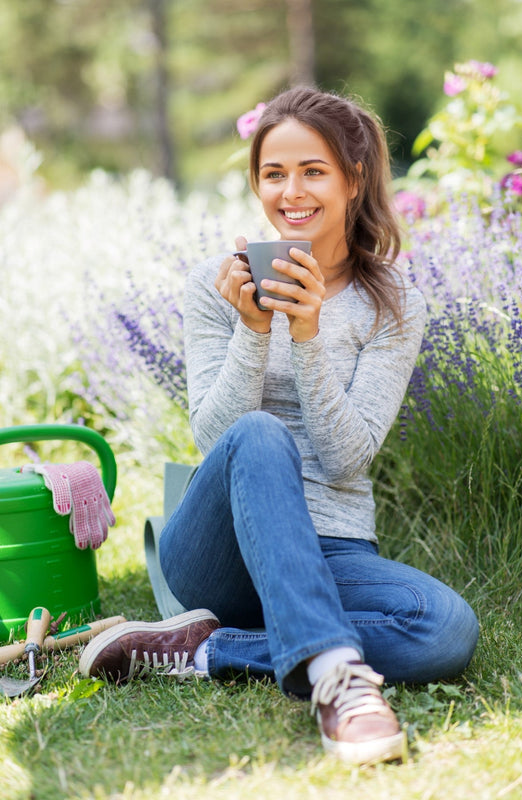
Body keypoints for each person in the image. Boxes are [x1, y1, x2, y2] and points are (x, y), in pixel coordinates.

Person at [79, 87, 479, 765]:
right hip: (219, 548)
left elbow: (346, 457)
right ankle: (335, 682)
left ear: (353, 180)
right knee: (261, 434)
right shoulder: (216, 285)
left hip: (336, 546)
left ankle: (203, 648)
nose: (290, 191)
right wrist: (254, 331)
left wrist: (308, 334)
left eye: (312, 171)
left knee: (444, 630)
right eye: (273, 173)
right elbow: (217, 439)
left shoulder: (394, 302)